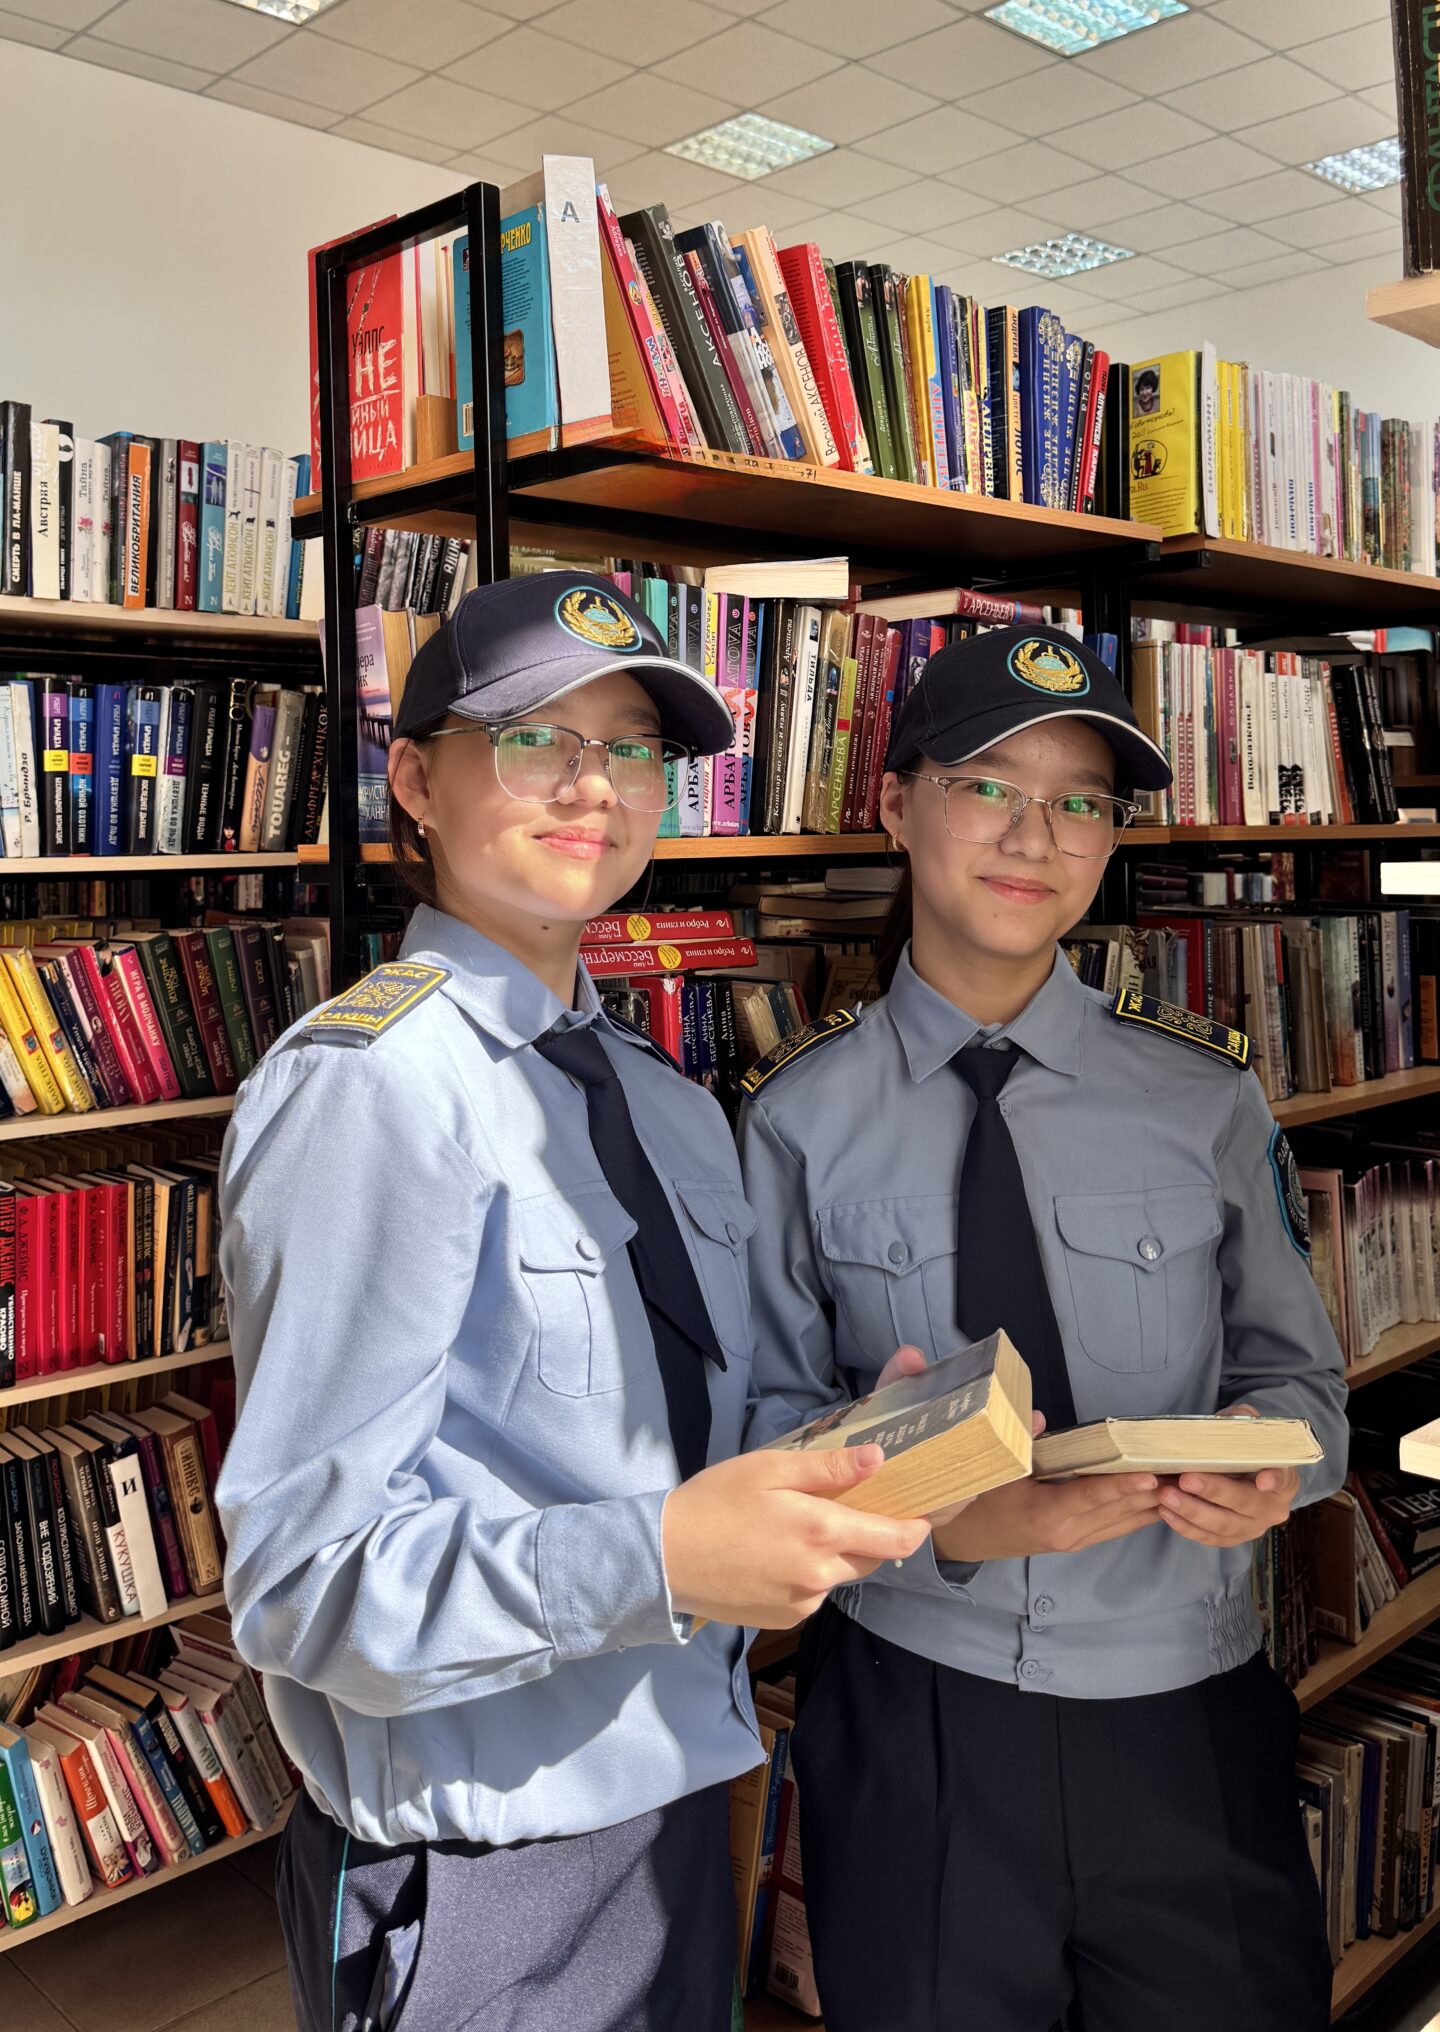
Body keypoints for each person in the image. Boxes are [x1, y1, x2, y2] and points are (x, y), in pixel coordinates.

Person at [216, 570, 932, 2032]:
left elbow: (679, 1431)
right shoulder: (375, 1089)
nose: (593, 785)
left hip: (676, 1804)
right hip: (478, 1875)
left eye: (632, 750)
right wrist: (661, 1560)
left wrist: (853, 1446)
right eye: (534, 738)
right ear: (416, 782)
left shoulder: (669, 1103)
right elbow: (304, 1585)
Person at [740, 622, 1348, 2032]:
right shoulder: (794, 1119)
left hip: (1184, 1705)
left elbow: (1304, 1385)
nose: (1037, 836)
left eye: (1082, 801)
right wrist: (946, 1511)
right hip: (916, 1708)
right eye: (989, 786)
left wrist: (1277, 1467)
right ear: (896, 804)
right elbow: (762, 1436)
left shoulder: (1203, 1097)